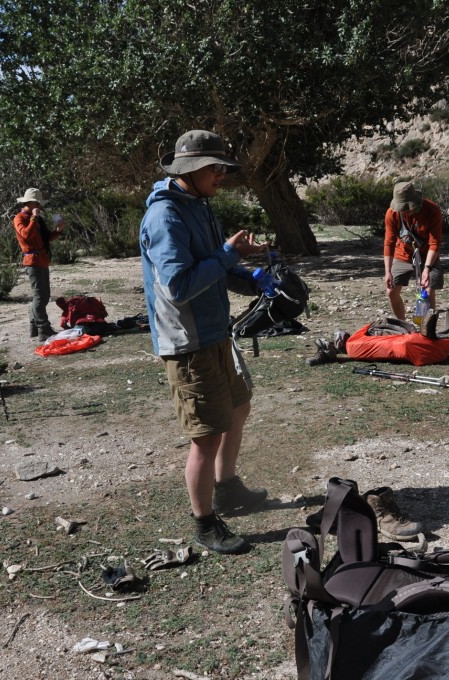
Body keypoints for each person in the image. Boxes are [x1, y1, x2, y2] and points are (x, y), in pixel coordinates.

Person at [139, 130, 269, 555]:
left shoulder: (198, 206)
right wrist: (229, 255)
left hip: (214, 331)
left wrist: (252, 278)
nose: (222, 176)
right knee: (206, 435)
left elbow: (211, 265)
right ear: (192, 171)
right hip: (187, 341)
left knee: (237, 406)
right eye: (216, 168)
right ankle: (205, 523)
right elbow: (178, 285)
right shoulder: (166, 217)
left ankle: (227, 487)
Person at [384, 181, 444, 320]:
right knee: (391, 291)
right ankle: (402, 325)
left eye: (408, 208)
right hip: (403, 253)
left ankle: (427, 328)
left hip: (427, 254)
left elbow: (434, 242)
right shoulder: (392, 213)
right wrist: (387, 272)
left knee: (427, 291)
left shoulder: (432, 210)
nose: (405, 211)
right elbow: (389, 243)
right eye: (402, 208)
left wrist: (427, 269)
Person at [14, 188, 63, 341]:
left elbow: (46, 238)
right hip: (32, 261)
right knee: (40, 297)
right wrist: (34, 218)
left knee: (42, 296)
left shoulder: (37, 218)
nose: (39, 206)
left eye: (39, 203)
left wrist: (58, 230)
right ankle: (43, 329)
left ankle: (34, 328)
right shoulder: (19, 218)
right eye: (36, 203)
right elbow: (27, 235)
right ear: (28, 203)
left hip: (41, 260)